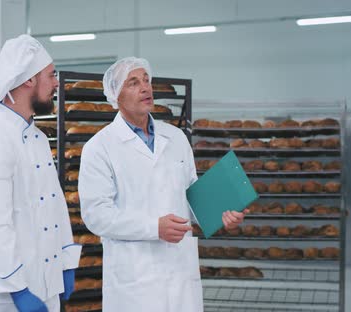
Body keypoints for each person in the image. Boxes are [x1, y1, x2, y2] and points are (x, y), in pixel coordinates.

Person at [78, 57, 248, 312]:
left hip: (180, 273)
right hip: (135, 281)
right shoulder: (99, 147)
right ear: (116, 96)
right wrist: (153, 227)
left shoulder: (176, 137)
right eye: (134, 83)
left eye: (147, 80)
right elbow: (97, 216)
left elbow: (190, 197)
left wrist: (220, 213)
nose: (146, 88)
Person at [0, 34, 81, 312]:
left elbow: (54, 205)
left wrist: (65, 263)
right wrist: (17, 291)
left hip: (44, 285)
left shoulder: (36, 137)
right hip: (6, 295)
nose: (56, 83)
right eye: (51, 76)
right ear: (29, 80)